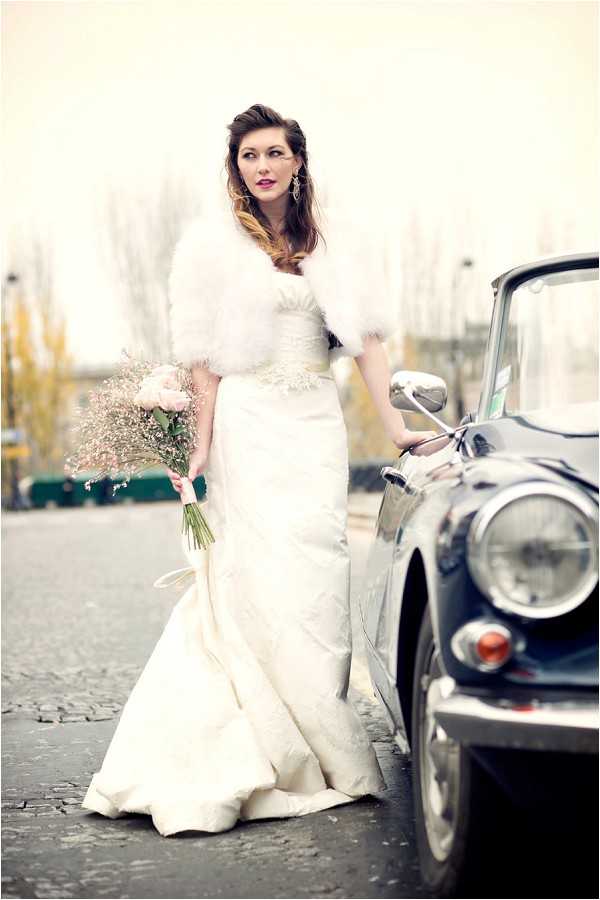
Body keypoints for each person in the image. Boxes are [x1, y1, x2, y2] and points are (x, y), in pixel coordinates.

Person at [81, 103, 438, 838]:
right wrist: (199, 447)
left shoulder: (333, 242)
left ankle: (317, 730)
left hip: (315, 423)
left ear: (298, 161)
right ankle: (257, 741)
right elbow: (205, 361)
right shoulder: (208, 248)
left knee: (316, 570)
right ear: (236, 169)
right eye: (249, 156)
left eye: (275, 152)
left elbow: (366, 340)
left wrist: (395, 424)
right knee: (252, 572)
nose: (263, 166)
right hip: (247, 424)